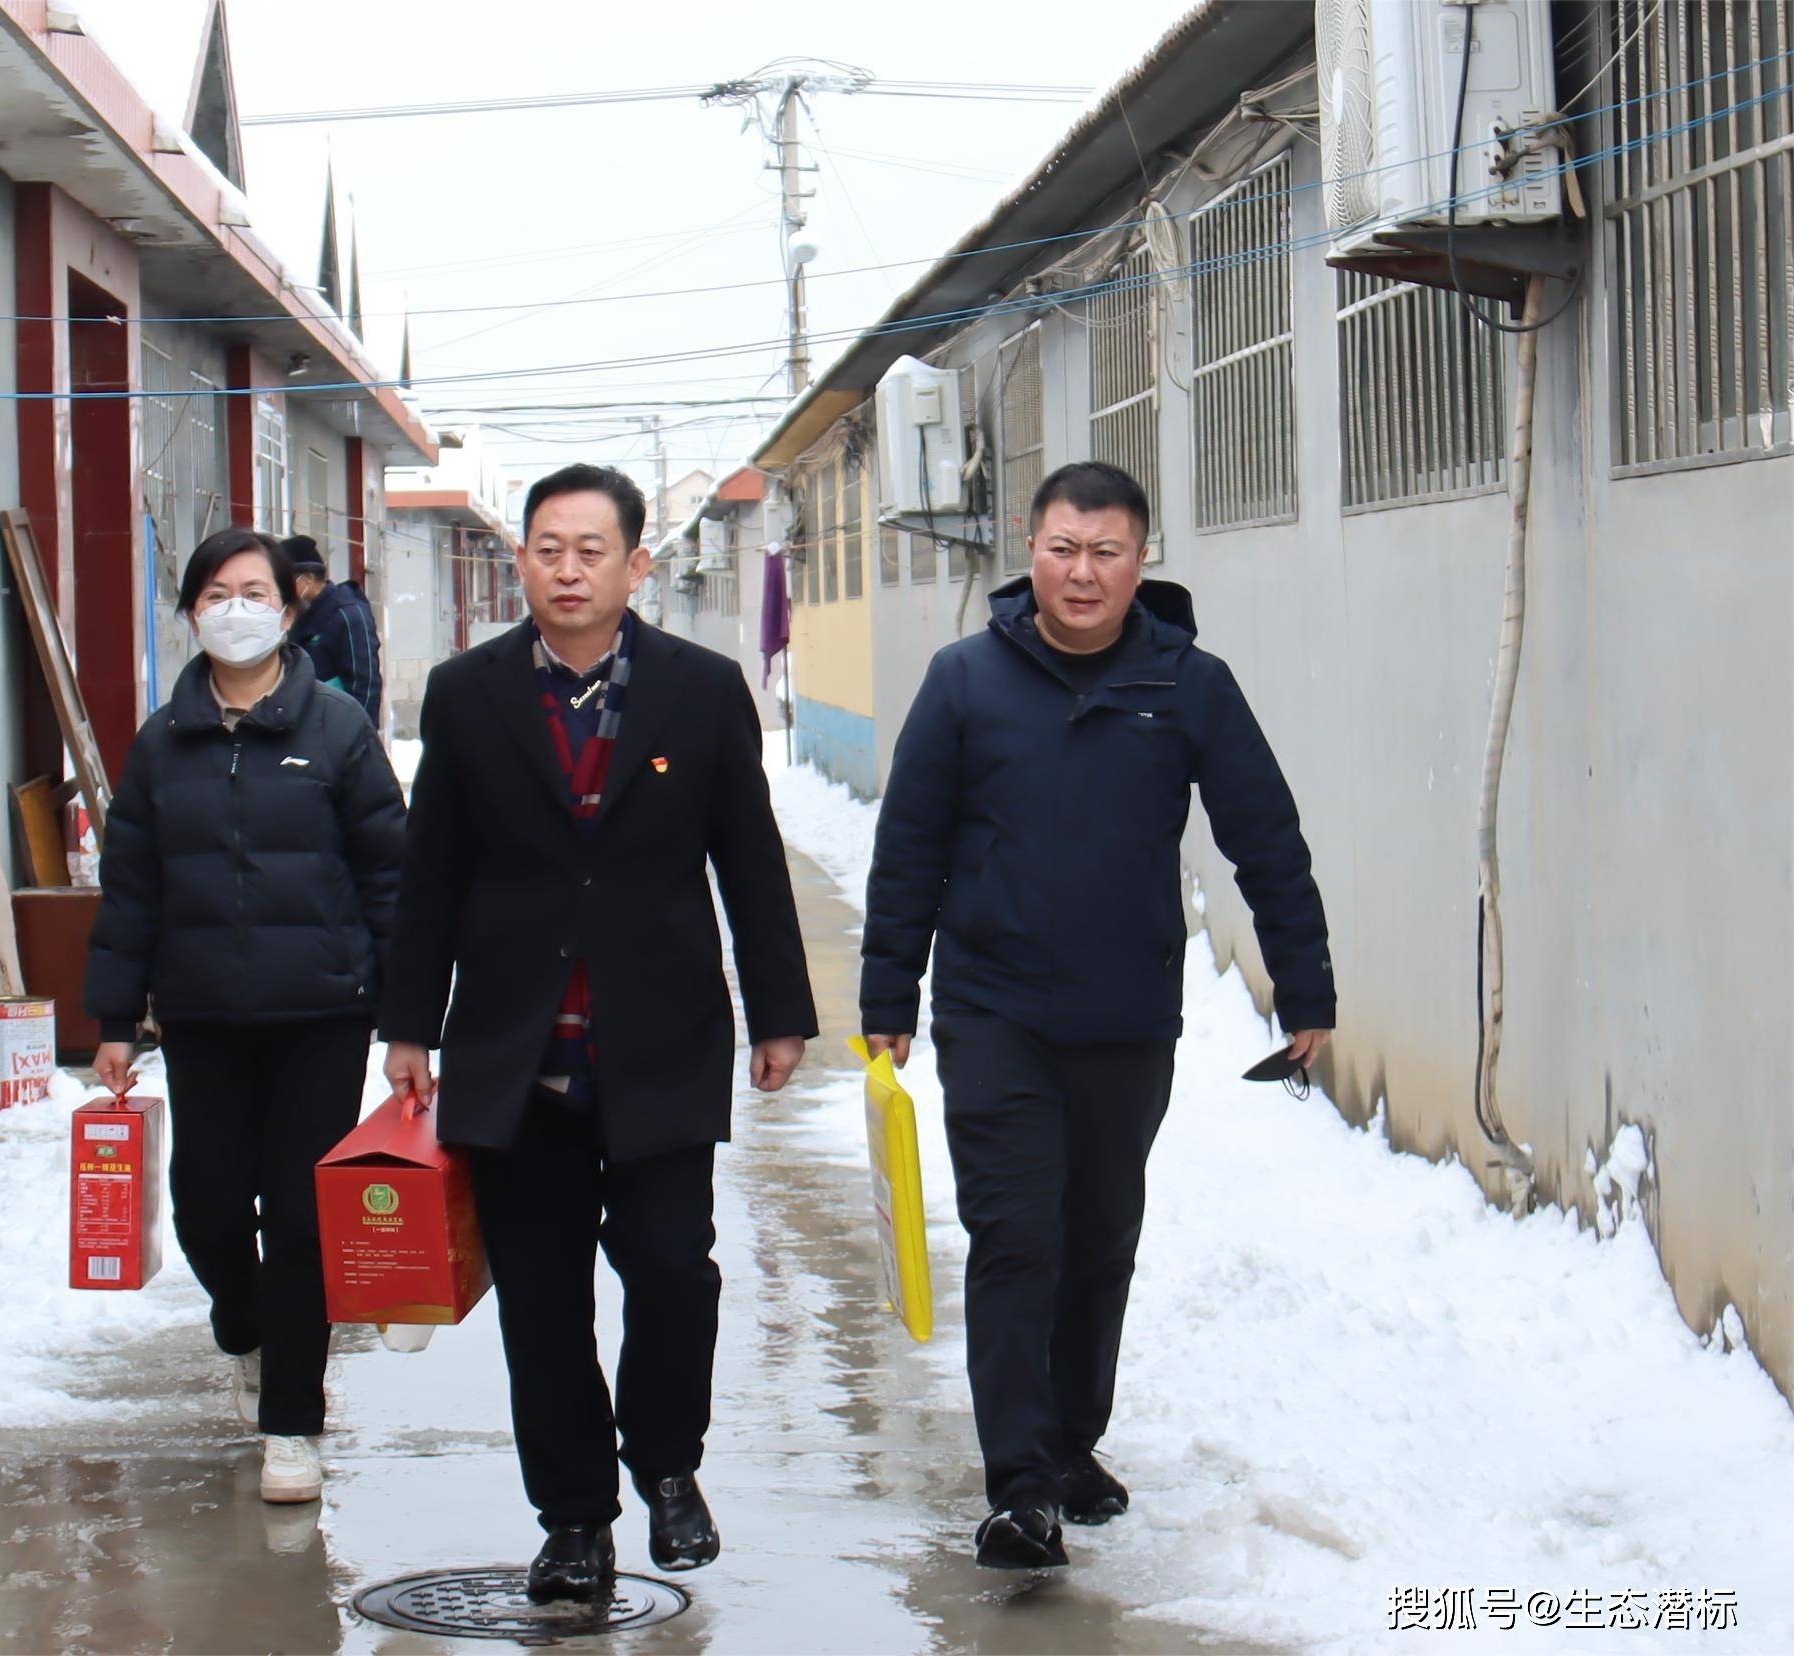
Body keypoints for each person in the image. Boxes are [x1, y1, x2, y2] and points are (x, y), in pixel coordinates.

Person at [860, 461, 1334, 1571]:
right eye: (1064, 548)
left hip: (1127, 1018)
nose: (1083, 571)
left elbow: (1265, 836)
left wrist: (1303, 986)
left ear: (1140, 561)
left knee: (1099, 1238)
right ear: (1031, 552)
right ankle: (1020, 1486)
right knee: (1017, 1235)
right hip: (994, 1012)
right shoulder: (965, 681)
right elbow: (908, 851)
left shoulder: (1189, 686)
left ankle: (1072, 1440)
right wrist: (891, 994)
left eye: (1106, 551)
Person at [379, 463, 816, 1602]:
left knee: (676, 1270)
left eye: (590, 550)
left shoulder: (700, 690)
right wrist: (409, 1025)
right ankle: (573, 1519)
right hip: (519, 1050)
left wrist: (780, 1012)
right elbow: (432, 873)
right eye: (546, 548)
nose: (566, 569)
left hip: (660, 1038)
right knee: (543, 1295)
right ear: (521, 559)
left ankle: (667, 1466)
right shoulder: (468, 694)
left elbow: (751, 863)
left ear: (635, 565)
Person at [85, 526, 406, 1507]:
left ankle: (293, 1425)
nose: (237, 607)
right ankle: (246, 1322)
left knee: (303, 1217)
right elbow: (131, 887)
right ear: (191, 612)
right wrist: (111, 1017)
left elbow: (391, 877)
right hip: (204, 1016)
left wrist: (407, 1022)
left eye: (255, 590)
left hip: (321, 1013)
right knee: (210, 1211)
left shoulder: (338, 731)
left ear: (287, 606)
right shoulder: (162, 741)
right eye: (217, 592)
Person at [281, 534, 383, 729]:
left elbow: (366, 683)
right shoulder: (300, 614)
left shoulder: (348, 613)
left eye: (286, 581)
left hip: (338, 725)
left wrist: (360, 733)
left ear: (308, 579)